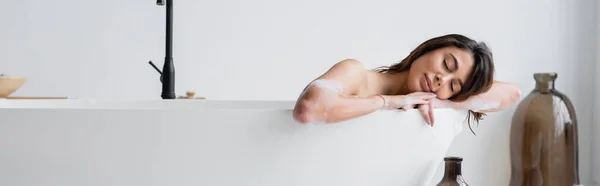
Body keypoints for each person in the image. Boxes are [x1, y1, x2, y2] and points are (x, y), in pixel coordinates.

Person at [292, 34, 521, 133]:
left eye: (453, 87)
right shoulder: (356, 73)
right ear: (430, 48)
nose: (443, 80)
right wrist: (388, 102)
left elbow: (512, 94)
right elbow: (309, 110)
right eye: (446, 64)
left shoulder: (437, 103)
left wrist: (450, 104)